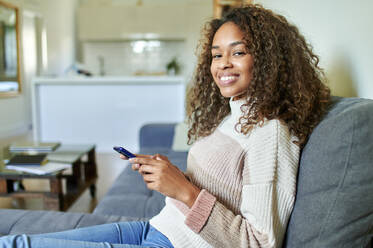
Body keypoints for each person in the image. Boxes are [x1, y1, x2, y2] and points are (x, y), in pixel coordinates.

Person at [0, 4, 330, 248]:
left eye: (238, 52)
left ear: (269, 59)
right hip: (157, 227)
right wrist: (169, 173)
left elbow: (258, 243)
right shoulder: (235, 115)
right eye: (216, 55)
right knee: (21, 240)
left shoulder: (270, 133)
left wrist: (184, 190)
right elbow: (223, 188)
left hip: (173, 244)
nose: (223, 65)